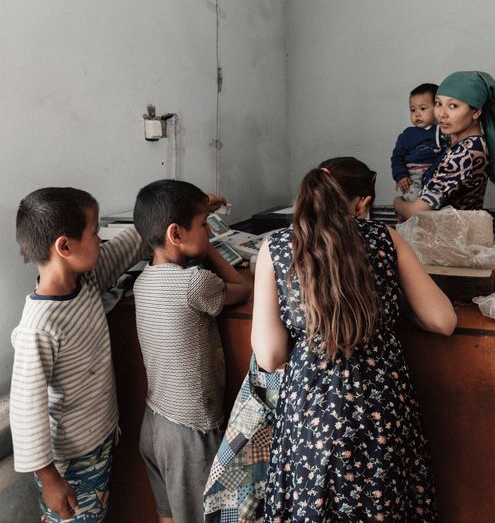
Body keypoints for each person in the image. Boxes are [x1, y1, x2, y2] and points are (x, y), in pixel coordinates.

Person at [251, 157, 457, 522]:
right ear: (362, 202)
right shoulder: (385, 238)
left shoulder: (278, 247)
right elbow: (442, 320)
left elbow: (269, 356)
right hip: (380, 406)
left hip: (310, 409)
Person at [10, 187, 150, 522]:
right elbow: (26, 412)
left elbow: (127, 246)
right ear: (65, 246)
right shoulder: (40, 328)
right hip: (69, 462)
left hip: (99, 440)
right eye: (95, 231)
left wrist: (170, 209)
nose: (101, 241)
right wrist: (50, 480)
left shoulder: (85, 283)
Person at [132, 179, 251, 523]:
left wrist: (198, 233)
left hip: (154, 423)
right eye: (203, 225)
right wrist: (209, 247)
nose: (208, 229)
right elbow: (243, 289)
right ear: (176, 234)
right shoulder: (195, 283)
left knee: (169, 514)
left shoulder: (143, 282)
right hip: (191, 430)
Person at [394, 71, 495, 221]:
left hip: (451, 239)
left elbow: (416, 211)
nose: (442, 114)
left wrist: (397, 203)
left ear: (475, 112)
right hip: (451, 234)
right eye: (438, 104)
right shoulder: (469, 143)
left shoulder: (464, 153)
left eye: (453, 106)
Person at [390, 83, 447, 202]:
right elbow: (397, 157)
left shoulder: (445, 131)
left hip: (436, 179)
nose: (417, 114)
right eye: (412, 110)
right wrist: (401, 176)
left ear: (438, 108)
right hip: (414, 178)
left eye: (423, 108)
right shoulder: (408, 135)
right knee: (415, 202)